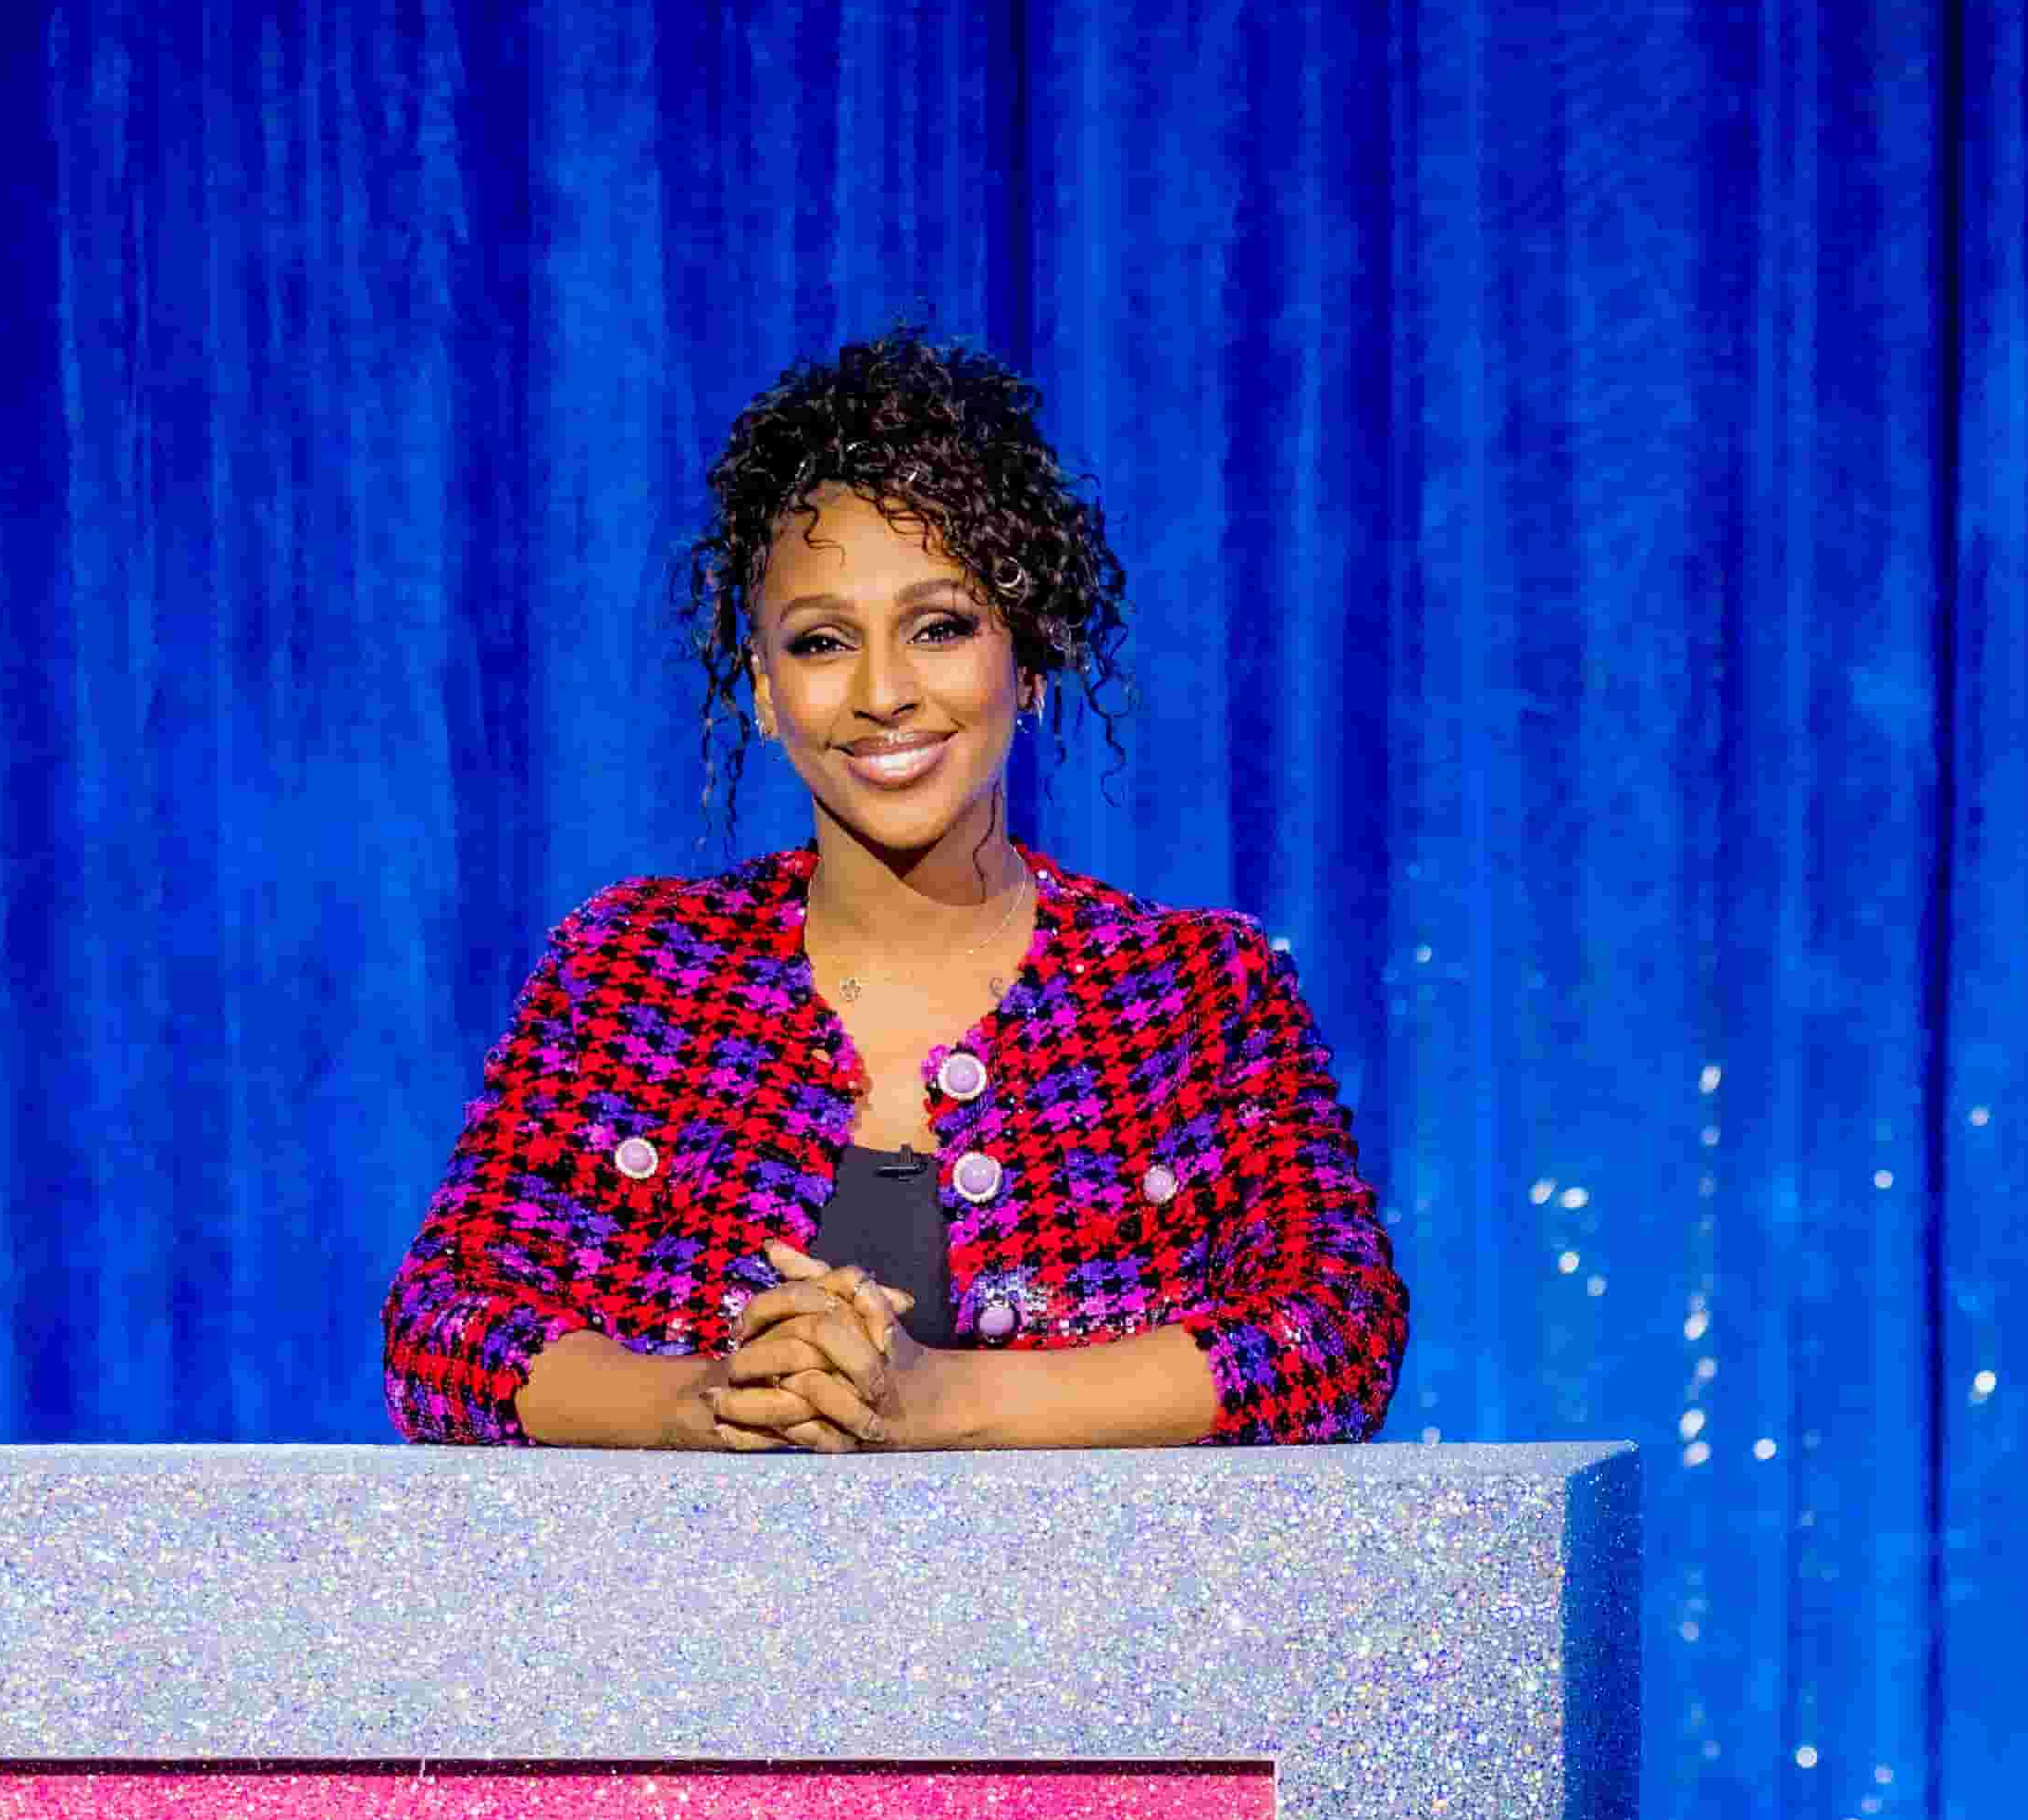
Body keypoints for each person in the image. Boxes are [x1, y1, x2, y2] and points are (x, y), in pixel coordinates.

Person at [384, 331, 1406, 1451]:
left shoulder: (1198, 993)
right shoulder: (630, 972)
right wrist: (698, 1403)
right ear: (765, 687)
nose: (883, 691)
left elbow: (1336, 1334)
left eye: (939, 627)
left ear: (1029, 654)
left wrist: (945, 1403)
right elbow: (443, 1326)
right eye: (823, 642)